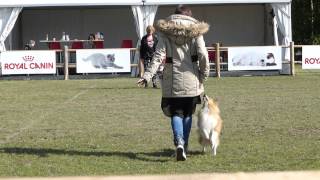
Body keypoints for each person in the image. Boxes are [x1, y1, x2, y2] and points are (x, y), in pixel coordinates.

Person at [137, 5, 210, 161]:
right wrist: (204, 73)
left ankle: (179, 142)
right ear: (190, 16)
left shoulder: (165, 32)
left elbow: (158, 56)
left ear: (175, 16)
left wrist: (147, 75)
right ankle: (185, 145)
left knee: (176, 113)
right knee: (188, 113)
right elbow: (203, 54)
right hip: (192, 79)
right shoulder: (196, 32)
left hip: (172, 80)